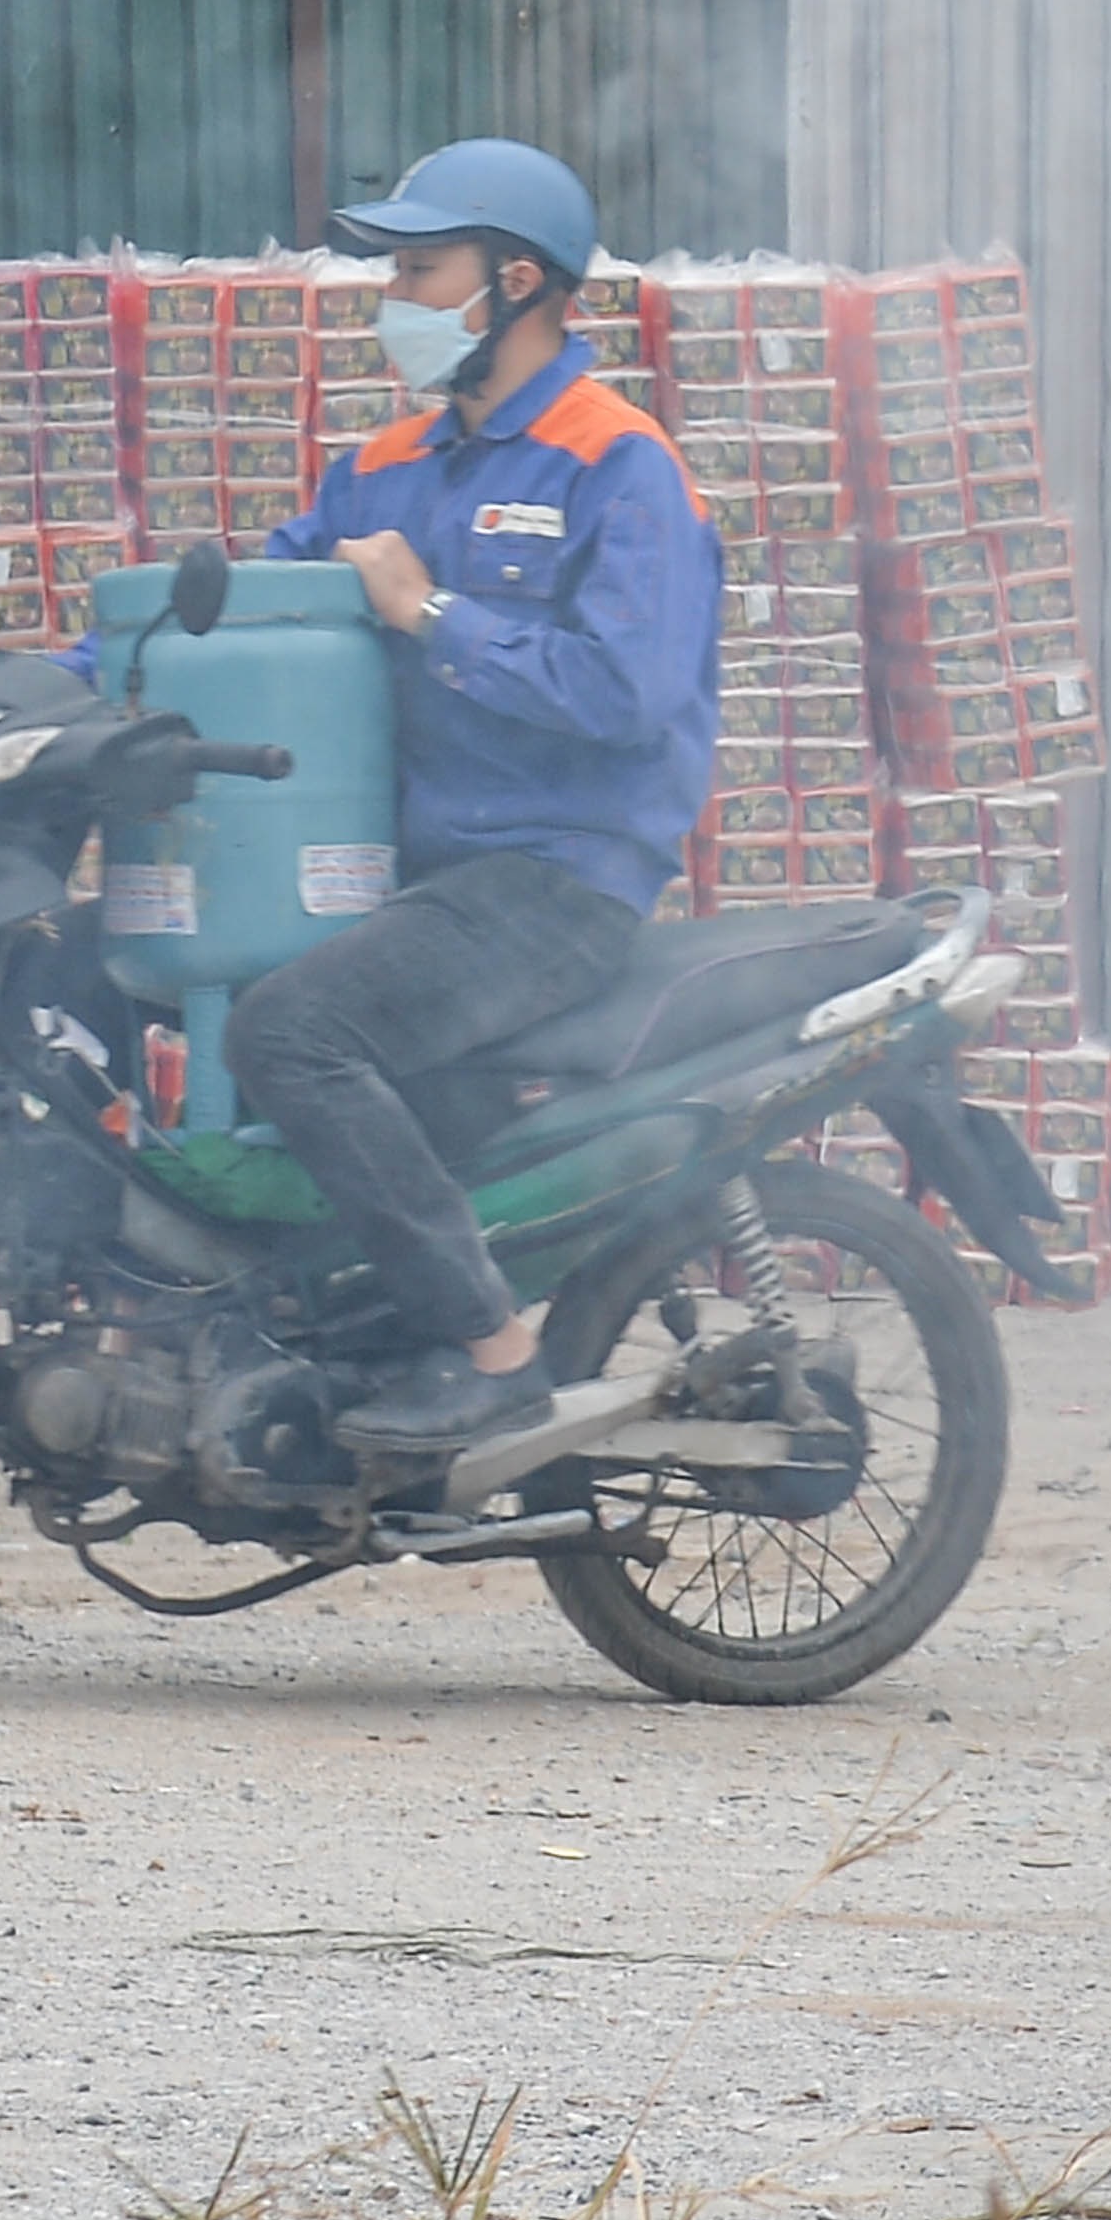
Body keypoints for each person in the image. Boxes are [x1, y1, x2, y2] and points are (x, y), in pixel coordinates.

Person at [230, 138, 723, 1444]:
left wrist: (433, 614)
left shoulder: (616, 463)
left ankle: (499, 1355)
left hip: (556, 880)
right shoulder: (386, 464)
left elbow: (631, 693)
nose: (393, 295)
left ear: (514, 281)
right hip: (423, 880)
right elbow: (250, 605)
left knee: (291, 1033)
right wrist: (61, 672)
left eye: (418, 266)